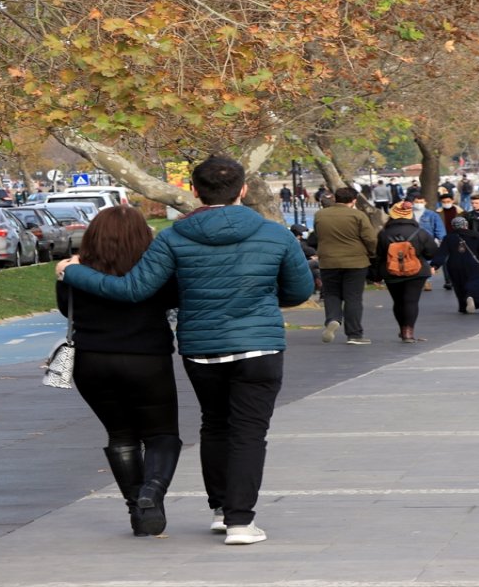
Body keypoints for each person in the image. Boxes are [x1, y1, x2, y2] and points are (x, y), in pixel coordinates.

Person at [57, 154, 314, 545]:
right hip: (259, 346)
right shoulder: (275, 234)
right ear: (243, 190)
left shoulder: (174, 239)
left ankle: (219, 508)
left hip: (201, 348)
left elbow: (134, 289)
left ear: (194, 191)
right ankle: (240, 522)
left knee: (214, 424)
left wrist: (72, 271)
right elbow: (298, 291)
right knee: (248, 433)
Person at [55, 206, 180, 537]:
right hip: (147, 359)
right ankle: (151, 493)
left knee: (121, 434)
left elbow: (63, 306)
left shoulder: (73, 270)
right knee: (162, 434)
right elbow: (175, 299)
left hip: (91, 361)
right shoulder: (157, 271)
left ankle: (135, 508)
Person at [313, 187, 378, 345]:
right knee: (353, 297)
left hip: (328, 261)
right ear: (354, 200)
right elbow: (370, 238)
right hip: (355, 261)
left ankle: (333, 319)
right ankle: (354, 334)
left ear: (335, 198)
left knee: (331, 294)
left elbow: (317, 235)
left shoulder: (320, 215)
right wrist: (372, 253)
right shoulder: (358, 215)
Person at [373, 201, 439, 343]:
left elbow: (379, 255)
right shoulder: (420, 232)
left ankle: (402, 328)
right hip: (416, 272)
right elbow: (432, 252)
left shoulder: (384, 233)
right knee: (411, 301)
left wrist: (376, 275)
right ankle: (408, 331)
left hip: (391, 271)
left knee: (398, 302)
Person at [431, 217, 479, 314]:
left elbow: (442, 253)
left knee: (459, 286)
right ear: (466, 225)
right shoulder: (475, 235)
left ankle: (463, 306)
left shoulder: (448, 237)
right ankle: (471, 296)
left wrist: (434, 265)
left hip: (454, 265)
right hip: (473, 264)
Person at [412, 194, 446, 291]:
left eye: (421, 202)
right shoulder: (409, 214)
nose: (419, 204)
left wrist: (442, 240)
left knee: (427, 262)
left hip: (427, 241)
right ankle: (417, 281)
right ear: (413, 203)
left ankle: (427, 281)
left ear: (425, 203)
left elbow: (439, 228)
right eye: (417, 202)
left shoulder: (432, 215)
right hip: (412, 242)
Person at [436, 192, 464, 290]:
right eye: (443, 202)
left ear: (452, 201)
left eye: (448, 201)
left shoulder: (461, 212)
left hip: (458, 238)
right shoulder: (437, 213)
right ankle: (448, 281)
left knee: (459, 260)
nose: (446, 203)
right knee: (446, 261)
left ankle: (458, 279)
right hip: (444, 239)